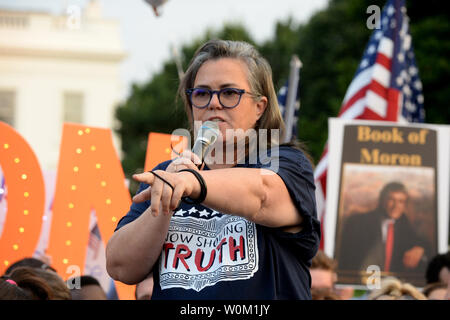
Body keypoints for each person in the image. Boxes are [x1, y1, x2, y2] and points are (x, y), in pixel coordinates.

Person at [106, 39, 320, 299]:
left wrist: (193, 183)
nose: (214, 103)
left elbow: (263, 195)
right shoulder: (169, 174)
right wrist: (166, 202)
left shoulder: (285, 162)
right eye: (202, 93)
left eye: (229, 93)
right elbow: (120, 266)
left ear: (259, 107)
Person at [336, 182, 431, 280]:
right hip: (363, 283)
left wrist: (421, 249)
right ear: (382, 200)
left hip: (392, 285)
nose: (395, 206)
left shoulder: (405, 225)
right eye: (391, 199)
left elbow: (424, 244)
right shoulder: (359, 222)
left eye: (401, 201)